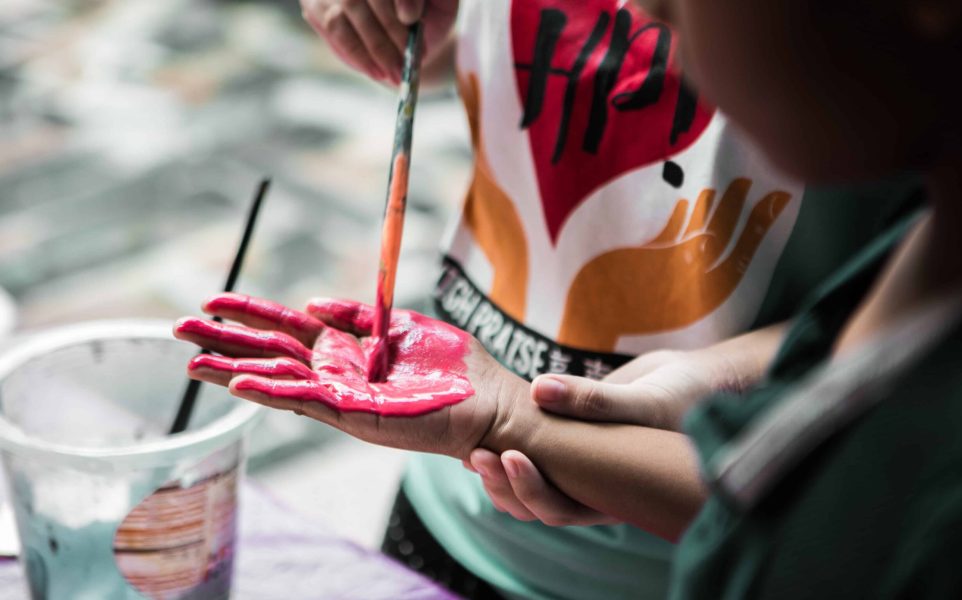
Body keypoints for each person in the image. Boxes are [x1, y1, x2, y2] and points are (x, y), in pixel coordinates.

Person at [270, 1, 915, 599]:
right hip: (449, 504)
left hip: (686, 556)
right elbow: (475, 46)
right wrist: (390, 24)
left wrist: (534, 423)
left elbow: (925, 314)